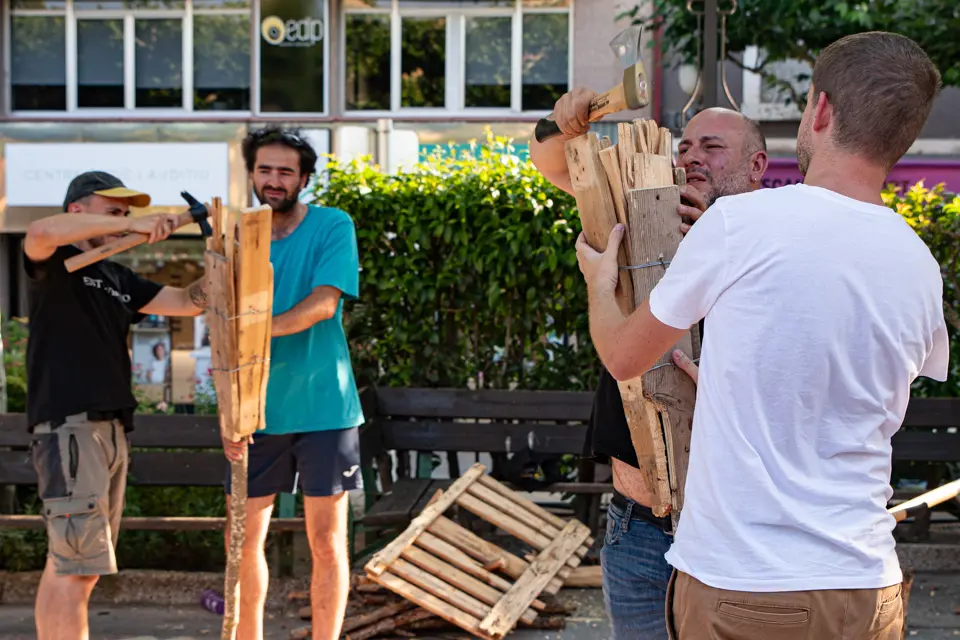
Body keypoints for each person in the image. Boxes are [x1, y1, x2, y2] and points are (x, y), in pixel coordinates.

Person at [575, 31, 947, 640]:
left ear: (820, 110)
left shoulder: (739, 224)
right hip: (867, 585)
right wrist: (727, 380)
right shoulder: (918, 262)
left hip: (745, 586)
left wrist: (599, 279)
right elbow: (850, 396)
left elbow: (622, 356)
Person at [530, 92, 768, 638]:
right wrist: (561, 123)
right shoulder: (638, 210)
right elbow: (554, 162)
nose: (691, 158)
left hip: (733, 529)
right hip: (636, 530)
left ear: (757, 166)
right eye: (684, 146)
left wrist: (715, 235)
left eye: (713, 147)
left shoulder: (771, 235)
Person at [23, 170, 210, 640]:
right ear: (77, 210)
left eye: (127, 214)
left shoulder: (115, 275)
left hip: (107, 429)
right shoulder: (54, 261)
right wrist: (141, 226)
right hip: (71, 426)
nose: (124, 220)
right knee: (78, 568)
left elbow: (188, 302)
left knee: (68, 563)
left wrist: (226, 260)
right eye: (114, 212)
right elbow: (39, 232)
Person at [223, 126, 364, 640]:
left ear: (304, 177)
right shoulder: (236, 233)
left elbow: (325, 303)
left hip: (325, 407)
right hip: (254, 410)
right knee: (241, 541)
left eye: (285, 171)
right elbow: (220, 326)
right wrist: (226, 412)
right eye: (265, 170)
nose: (274, 180)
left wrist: (257, 329)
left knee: (327, 542)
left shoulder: (333, 224)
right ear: (253, 174)